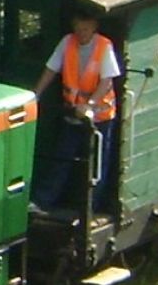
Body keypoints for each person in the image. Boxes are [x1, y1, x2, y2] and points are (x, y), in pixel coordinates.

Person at [29, 11, 120, 214]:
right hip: (72, 114)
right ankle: (43, 202)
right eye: (78, 28)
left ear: (94, 27)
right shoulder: (67, 43)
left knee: (97, 164)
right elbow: (51, 68)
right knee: (62, 157)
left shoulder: (104, 46)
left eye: (85, 29)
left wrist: (90, 104)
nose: (81, 33)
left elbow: (106, 81)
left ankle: (91, 208)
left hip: (99, 117)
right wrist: (36, 94)